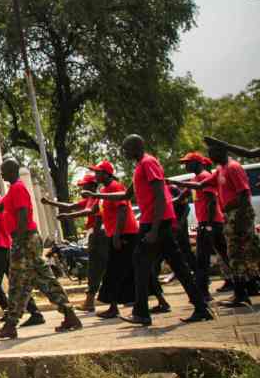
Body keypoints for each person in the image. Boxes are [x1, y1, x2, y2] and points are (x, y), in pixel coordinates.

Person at [85, 135, 211, 325]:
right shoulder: (140, 167)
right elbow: (127, 195)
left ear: (137, 147)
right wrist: (95, 194)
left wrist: (154, 228)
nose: (125, 153)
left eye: (127, 149)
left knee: (142, 264)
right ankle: (200, 307)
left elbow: (161, 195)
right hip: (154, 222)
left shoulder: (148, 163)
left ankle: (142, 312)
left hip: (155, 223)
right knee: (176, 266)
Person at [0, 158, 81, 339]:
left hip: (25, 240)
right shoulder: (11, 190)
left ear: (12, 171)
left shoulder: (18, 188)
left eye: (3, 170)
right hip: (25, 240)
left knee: (18, 281)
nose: (0, 173)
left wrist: (18, 241)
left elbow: (23, 215)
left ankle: (11, 325)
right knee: (41, 279)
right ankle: (69, 315)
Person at [175, 142, 260, 307]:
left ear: (222, 151)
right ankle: (243, 291)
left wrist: (239, 219)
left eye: (213, 152)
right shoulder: (220, 169)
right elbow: (201, 186)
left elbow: (243, 193)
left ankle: (241, 293)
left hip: (238, 214)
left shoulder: (233, 167)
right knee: (238, 253)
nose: (210, 156)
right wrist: (177, 183)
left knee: (239, 252)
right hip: (230, 215)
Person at [41, 172, 106, 312]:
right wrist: (49, 202)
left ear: (92, 186)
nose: (82, 189)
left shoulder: (96, 198)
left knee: (96, 269)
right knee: (95, 269)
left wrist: (68, 216)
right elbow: (70, 206)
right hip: (93, 234)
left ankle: (90, 302)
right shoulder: (90, 199)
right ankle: (91, 302)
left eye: (84, 186)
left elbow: (89, 212)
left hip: (98, 235)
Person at [176, 153, 229, 302]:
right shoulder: (195, 179)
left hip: (210, 223)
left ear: (197, 163)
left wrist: (209, 226)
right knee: (225, 256)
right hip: (209, 223)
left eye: (188, 162)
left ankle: (203, 293)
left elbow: (212, 201)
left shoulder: (204, 176)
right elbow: (181, 197)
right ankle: (245, 286)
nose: (185, 165)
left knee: (202, 260)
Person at [92, 164, 139, 319]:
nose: (95, 176)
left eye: (97, 173)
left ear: (106, 174)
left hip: (126, 233)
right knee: (128, 269)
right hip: (116, 234)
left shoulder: (115, 186)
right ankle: (115, 306)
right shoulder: (104, 191)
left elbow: (123, 210)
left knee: (114, 270)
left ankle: (113, 307)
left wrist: (118, 234)